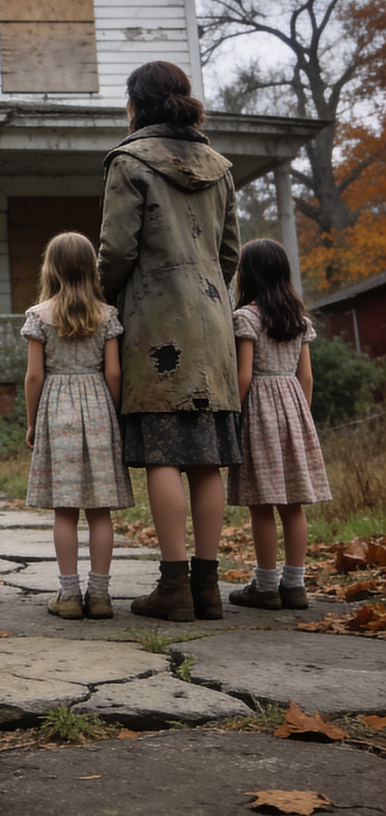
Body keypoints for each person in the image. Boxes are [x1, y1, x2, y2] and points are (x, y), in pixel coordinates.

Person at [98, 61, 241, 622]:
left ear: (136, 104)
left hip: (157, 324)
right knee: (207, 458)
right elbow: (230, 253)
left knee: (163, 452)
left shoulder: (128, 162)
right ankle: (208, 589)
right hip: (212, 322)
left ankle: (174, 587)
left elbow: (116, 250)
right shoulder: (220, 167)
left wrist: (101, 302)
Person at [23, 231, 131, 620]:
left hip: (56, 408)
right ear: (91, 269)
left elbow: (34, 376)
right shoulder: (107, 316)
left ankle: (68, 595)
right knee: (100, 510)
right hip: (99, 405)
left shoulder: (40, 316)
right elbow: (115, 373)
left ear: (50, 268)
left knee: (65, 509)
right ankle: (100, 595)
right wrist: (116, 415)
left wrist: (33, 421)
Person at [226, 239, 330, 610]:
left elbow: (243, 375)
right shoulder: (298, 320)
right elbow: (307, 377)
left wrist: (233, 416)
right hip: (293, 407)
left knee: (262, 503)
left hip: (258, 410)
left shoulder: (247, 318)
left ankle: (266, 586)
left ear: (247, 275)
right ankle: (295, 584)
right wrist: (301, 418)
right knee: (293, 505)